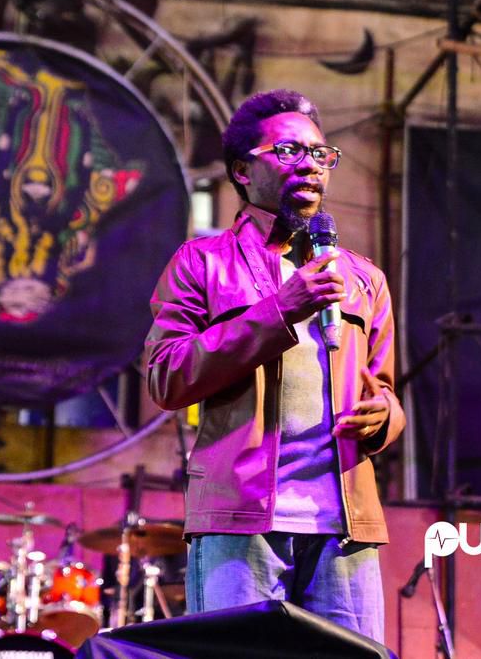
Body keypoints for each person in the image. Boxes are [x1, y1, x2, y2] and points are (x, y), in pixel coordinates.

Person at [145, 89, 404, 642]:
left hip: (345, 529)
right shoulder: (202, 262)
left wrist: (384, 417)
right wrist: (280, 309)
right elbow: (166, 376)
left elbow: (385, 391)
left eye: (320, 154)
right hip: (240, 525)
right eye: (289, 151)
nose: (310, 164)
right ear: (242, 170)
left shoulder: (364, 279)